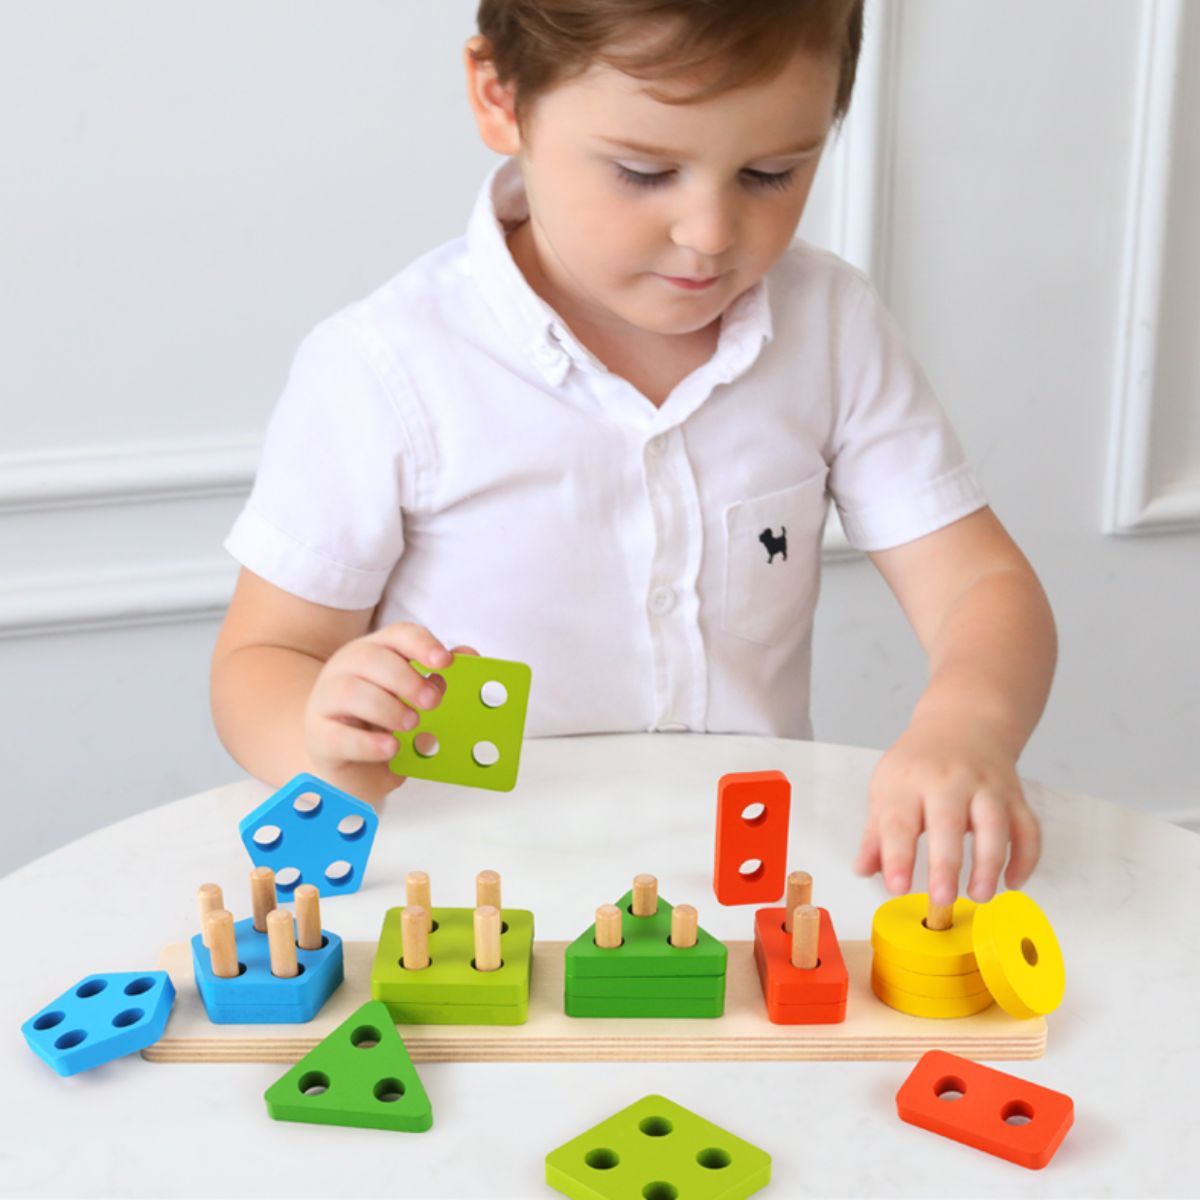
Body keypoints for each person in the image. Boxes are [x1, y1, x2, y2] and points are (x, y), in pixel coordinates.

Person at [211, 0, 1056, 909]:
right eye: (644, 172)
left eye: (771, 173)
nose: (711, 232)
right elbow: (261, 655)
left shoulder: (831, 324)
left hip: (746, 896)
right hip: (470, 899)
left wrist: (966, 725)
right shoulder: (385, 364)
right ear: (500, 96)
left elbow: (980, 586)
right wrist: (323, 735)